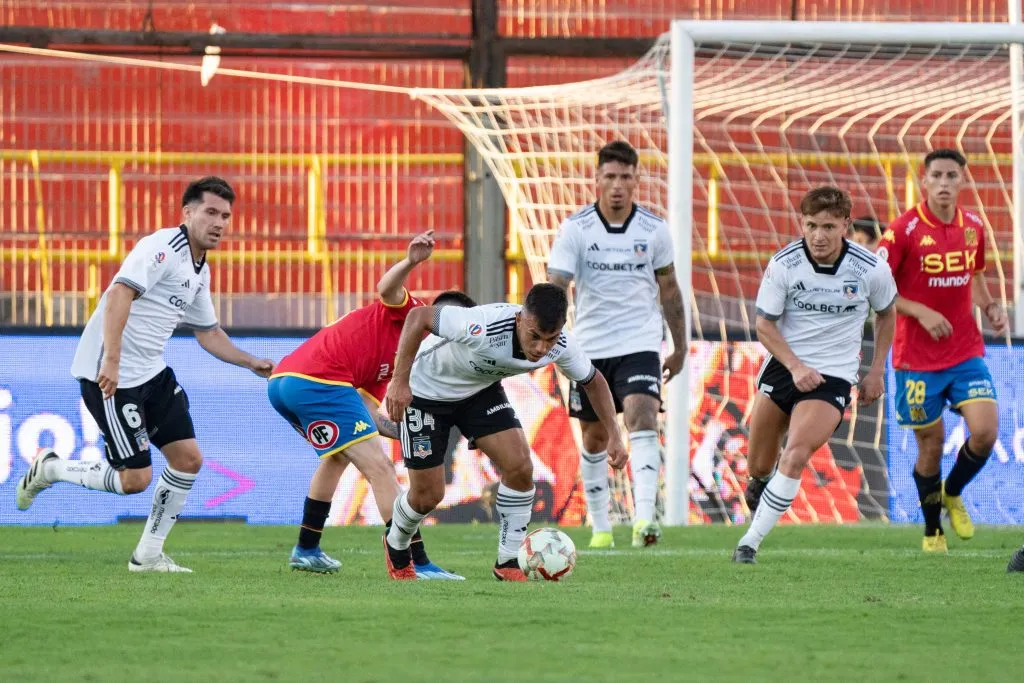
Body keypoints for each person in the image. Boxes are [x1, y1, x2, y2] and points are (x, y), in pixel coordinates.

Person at [16, 177, 275, 573]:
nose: (219, 222)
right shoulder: (162, 248)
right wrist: (113, 361)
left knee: (188, 459)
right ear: (187, 213)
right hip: (112, 378)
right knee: (134, 479)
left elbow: (207, 332)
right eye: (210, 212)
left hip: (153, 374)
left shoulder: (198, 269)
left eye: (225, 215)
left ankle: (148, 556)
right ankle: (51, 468)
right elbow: (120, 292)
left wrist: (249, 361)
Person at [383, 283, 628, 581]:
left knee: (521, 468)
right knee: (427, 495)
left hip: (478, 393)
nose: (540, 349)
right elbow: (418, 317)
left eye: (549, 340)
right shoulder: (482, 325)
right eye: (534, 336)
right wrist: (399, 381)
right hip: (426, 393)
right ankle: (396, 543)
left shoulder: (561, 345)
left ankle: (508, 560)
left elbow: (594, 380)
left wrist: (615, 434)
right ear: (519, 320)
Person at [268, 231, 464, 580]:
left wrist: (404, 430)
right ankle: (413, 560)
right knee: (380, 469)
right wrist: (410, 261)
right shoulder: (413, 314)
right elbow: (386, 288)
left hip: (287, 383)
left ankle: (307, 549)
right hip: (318, 380)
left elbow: (369, 415)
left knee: (338, 456)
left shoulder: (395, 361)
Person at [732, 186, 897, 564]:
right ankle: (760, 488)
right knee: (759, 469)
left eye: (827, 226)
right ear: (801, 224)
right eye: (810, 225)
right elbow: (764, 325)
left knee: (795, 454)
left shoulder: (870, 268)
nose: (818, 235)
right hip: (784, 367)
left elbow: (887, 313)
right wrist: (795, 366)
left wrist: (875, 371)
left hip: (833, 377)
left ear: (845, 225)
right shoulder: (784, 264)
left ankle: (748, 545)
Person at [547, 140, 686, 549]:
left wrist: (678, 346)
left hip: (640, 341)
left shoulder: (654, 230)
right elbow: (556, 284)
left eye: (626, 177)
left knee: (642, 417)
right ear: (597, 179)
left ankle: (645, 520)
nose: (618, 186)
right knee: (593, 439)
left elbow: (671, 290)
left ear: (637, 179)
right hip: (589, 347)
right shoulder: (576, 229)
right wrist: (548, 338)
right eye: (610, 177)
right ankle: (601, 527)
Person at [878, 148, 1008, 553]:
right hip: (916, 359)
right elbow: (879, 289)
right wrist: (921, 312)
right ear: (924, 180)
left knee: (986, 432)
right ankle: (932, 529)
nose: (945, 183)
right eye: (937, 176)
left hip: (966, 350)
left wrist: (989, 306)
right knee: (930, 445)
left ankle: (953, 492)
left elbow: (976, 275)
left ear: (963, 180)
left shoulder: (973, 226)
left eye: (953, 176)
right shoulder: (902, 231)